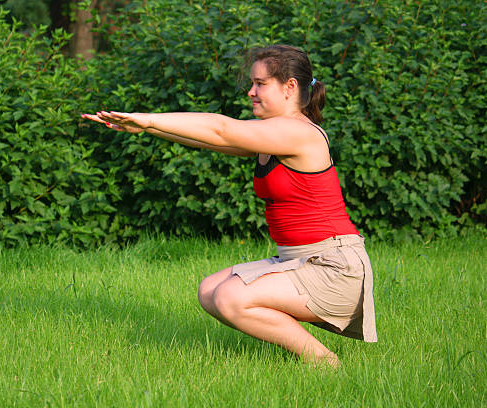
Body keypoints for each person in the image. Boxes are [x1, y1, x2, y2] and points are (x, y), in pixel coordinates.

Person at [81, 44, 377, 368]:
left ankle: (322, 360)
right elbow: (213, 140)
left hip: (333, 266)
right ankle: (305, 353)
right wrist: (149, 128)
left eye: (260, 84)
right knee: (210, 291)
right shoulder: (273, 135)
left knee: (230, 298)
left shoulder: (298, 132)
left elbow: (221, 129)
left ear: (290, 87)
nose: (251, 92)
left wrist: (148, 118)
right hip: (299, 259)